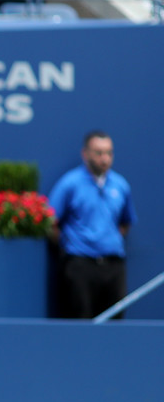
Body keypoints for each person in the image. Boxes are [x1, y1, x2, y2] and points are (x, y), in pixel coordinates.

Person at [47, 131, 137, 319]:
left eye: (109, 153)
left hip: (113, 266)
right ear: (85, 154)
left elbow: (125, 222)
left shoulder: (120, 185)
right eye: (99, 153)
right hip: (80, 265)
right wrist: (71, 245)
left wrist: (108, 241)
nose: (105, 159)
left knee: (115, 322)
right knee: (81, 321)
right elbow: (50, 221)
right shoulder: (69, 183)